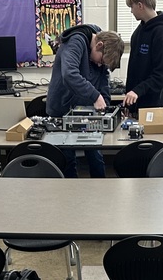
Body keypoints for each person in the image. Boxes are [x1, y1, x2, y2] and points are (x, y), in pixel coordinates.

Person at [46, 23, 124, 178]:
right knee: (68, 160)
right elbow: (69, 74)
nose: (100, 64)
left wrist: (105, 110)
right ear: (99, 45)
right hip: (62, 110)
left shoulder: (102, 51)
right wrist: (95, 96)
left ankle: (100, 194)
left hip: (85, 113)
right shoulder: (76, 41)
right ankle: (72, 198)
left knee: (95, 157)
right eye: (101, 61)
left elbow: (103, 83)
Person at [122, 0, 163, 110]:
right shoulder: (141, 29)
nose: (131, 11)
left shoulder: (160, 32)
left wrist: (137, 91)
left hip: (151, 106)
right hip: (136, 103)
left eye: (131, 7)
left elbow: (161, 76)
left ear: (140, 5)